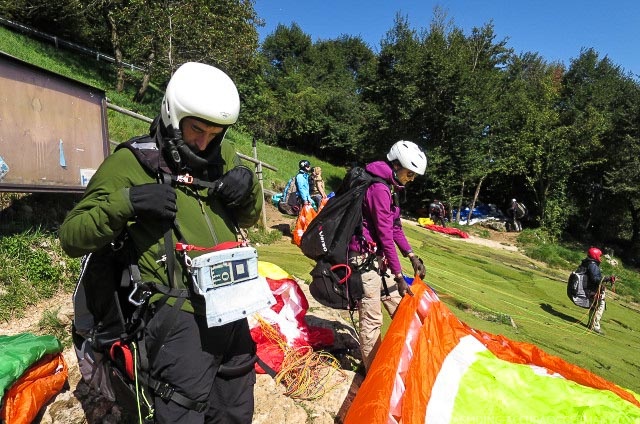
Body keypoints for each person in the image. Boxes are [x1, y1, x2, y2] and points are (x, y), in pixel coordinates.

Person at [59, 62, 263, 423]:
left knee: (235, 407)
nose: (204, 143)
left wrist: (247, 189)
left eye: (215, 133)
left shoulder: (222, 157)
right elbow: (72, 236)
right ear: (172, 115)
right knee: (181, 412)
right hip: (178, 320)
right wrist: (129, 202)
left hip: (232, 308)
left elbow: (247, 217)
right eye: (196, 130)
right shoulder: (131, 162)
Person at [347, 140, 427, 372]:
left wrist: (411, 255)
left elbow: (395, 227)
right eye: (409, 174)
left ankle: (407, 359)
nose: (410, 180)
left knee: (403, 305)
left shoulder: (392, 187)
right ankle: (374, 374)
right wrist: (399, 274)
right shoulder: (379, 189)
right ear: (396, 165)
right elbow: (384, 235)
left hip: (377, 260)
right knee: (372, 320)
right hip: (363, 259)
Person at [578, 247, 616, 334]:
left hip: (588, 288)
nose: (601, 257)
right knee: (600, 304)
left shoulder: (587, 263)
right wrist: (608, 278)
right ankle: (594, 325)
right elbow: (596, 279)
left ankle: (591, 323)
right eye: (599, 255)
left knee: (595, 305)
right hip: (592, 289)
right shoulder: (593, 265)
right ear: (595, 255)